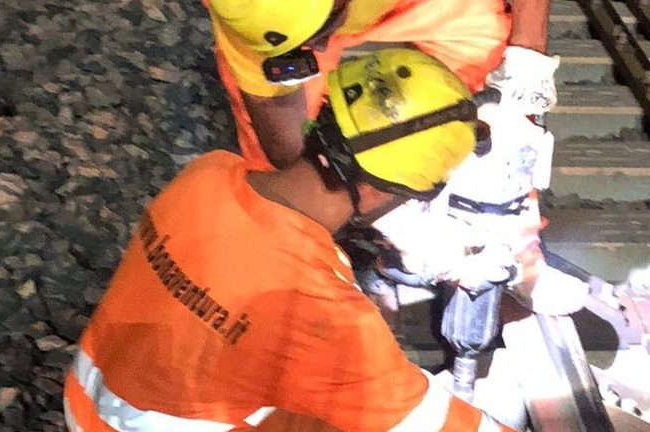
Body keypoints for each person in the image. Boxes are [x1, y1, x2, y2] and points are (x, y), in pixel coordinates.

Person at [62, 49, 641, 432]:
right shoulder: (314, 311)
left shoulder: (209, 175)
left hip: (91, 403)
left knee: (348, 401)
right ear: (402, 191)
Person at [205, 0, 587, 315]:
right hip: (300, 23)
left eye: (323, 34)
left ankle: (511, 245)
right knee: (275, 164)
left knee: (492, 59)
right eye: (310, 44)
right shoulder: (248, 14)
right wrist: (392, 210)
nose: (321, 50)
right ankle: (289, 270)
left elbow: (517, 66)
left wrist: (527, 56)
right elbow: (286, 145)